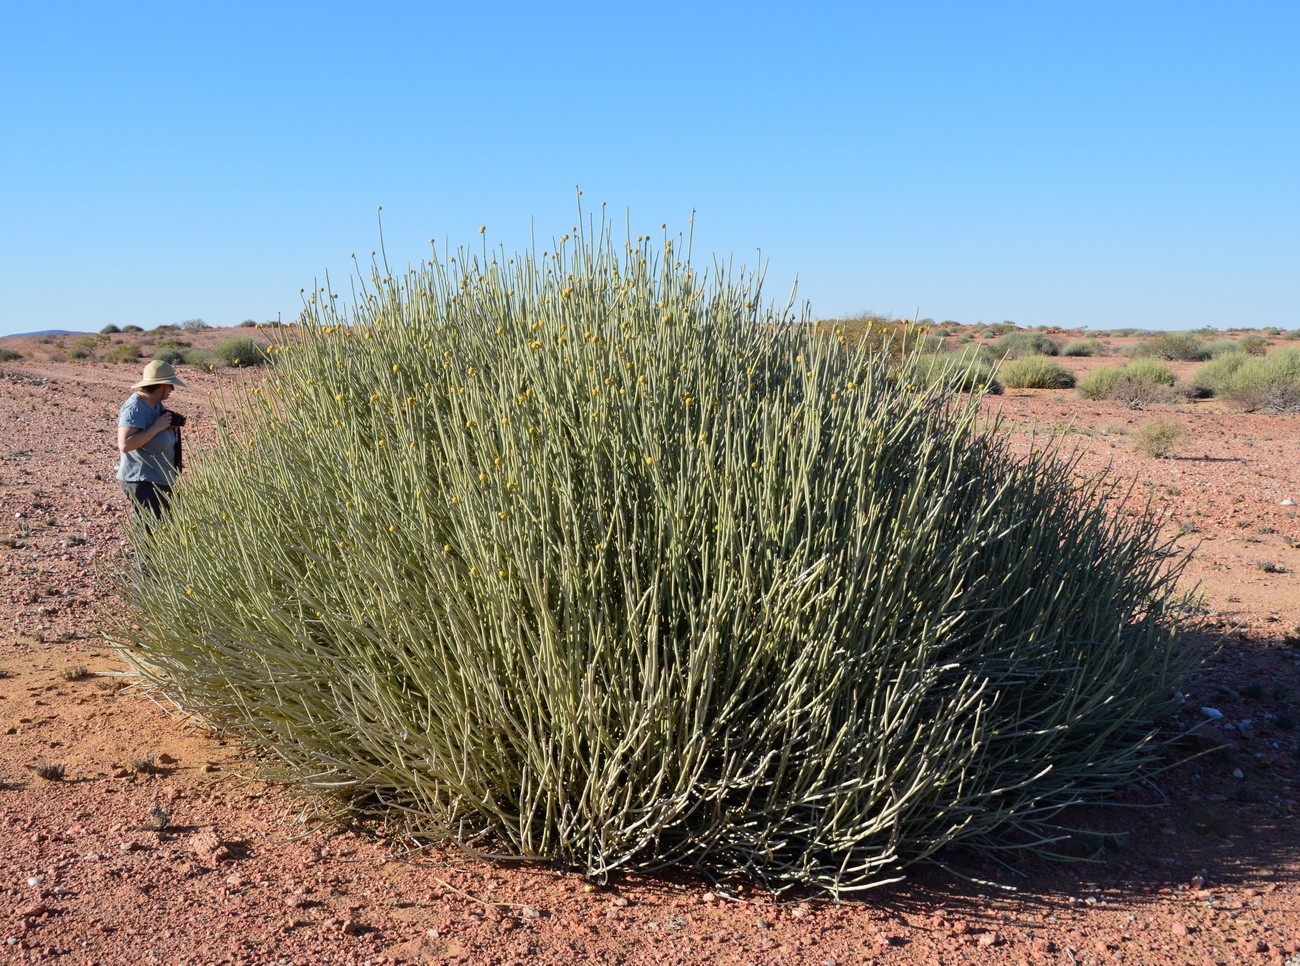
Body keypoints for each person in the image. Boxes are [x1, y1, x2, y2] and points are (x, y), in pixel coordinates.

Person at [118, 359, 186, 519]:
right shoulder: (134, 408)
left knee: (170, 528)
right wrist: (157, 427)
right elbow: (125, 444)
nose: (173, 389)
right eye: (170, 384)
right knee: (148, 533)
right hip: (143, 480)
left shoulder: (155, 405)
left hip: (160, 478)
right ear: (160, 384)